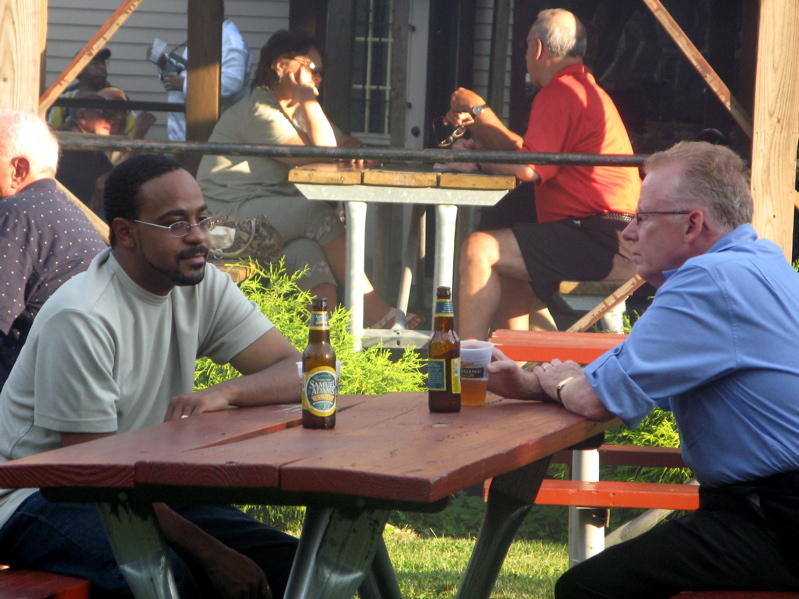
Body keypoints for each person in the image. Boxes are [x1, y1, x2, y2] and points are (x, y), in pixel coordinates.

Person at [487, 141, 799, 598]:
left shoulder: (706, 282)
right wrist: (537, 383)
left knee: (588, 589)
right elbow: (619, 373)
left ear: (693, 223)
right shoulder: (762, 264)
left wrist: (560, 384)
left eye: (642, 217)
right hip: (763, 510)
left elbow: (595, 399)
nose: (628, 233)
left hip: (775, 520)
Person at [0, 153, 300, 597]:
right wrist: (212, 552)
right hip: (37, 493)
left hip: (142, 487)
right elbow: (95, 477)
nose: (199, 237)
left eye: (203, 218)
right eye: (177, 224)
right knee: (166, 581)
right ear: (126, 233)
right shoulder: (83, 316)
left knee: (291, 564)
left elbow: (300, 370)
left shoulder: (202, 285)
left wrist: (226, 393)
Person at [197, 30, 422, 329]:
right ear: (280, 66)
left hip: (255, 217)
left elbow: (345, 143)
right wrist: (306, 98)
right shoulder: (260, 110)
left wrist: (352, 151)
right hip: (221, 225)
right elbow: (326, 151)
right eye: (310, 68)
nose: (316, 78)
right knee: (318, 215)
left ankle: (323, 340)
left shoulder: (293, 110)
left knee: (307, 252)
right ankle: (374, 311)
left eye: (320, 72)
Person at [446, 8, 641, 337]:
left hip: (603, 237)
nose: (524, 55)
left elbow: (527, 167)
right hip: (617, 234)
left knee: (479, 248)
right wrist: (482, 145)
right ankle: (515, 363)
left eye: (524, 46)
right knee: (504, 236)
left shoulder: (559, 93)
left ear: (537, 48)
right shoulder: (580, 87)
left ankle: (467, 369)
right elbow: (527, 152)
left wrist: (478, 159)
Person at [0, 110, 106, 393]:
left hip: (35, 397)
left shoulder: (14, 213)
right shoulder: (67, 211)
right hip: (82, 382)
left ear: (18, 170)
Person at [148, 18, 252, 142]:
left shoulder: (229, 41)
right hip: (184, 137)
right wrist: (164, 64)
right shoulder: (204, 35)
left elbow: (232, 83)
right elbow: (189, 72)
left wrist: (187, 84)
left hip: (213, 140)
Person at [48, 48, 136, 136]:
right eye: (95, 62)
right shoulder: (66, 97)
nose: (102, 66)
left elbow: (132, 133)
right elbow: (51, 133)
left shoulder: (117, 97)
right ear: (79, 69)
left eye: (103, 62)